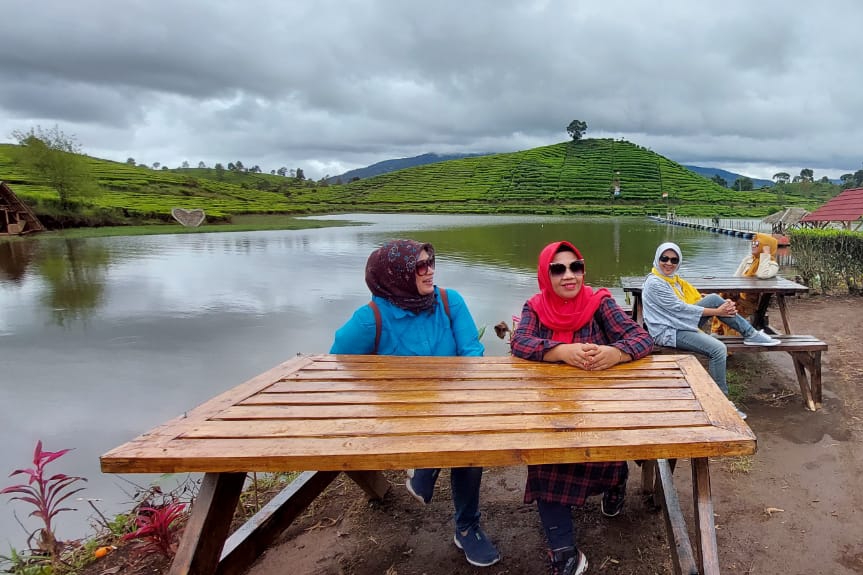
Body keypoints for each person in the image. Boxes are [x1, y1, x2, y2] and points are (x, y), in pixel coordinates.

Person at [330, 239, 500, 568]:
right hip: (399, 415)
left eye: (431, 262)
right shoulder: (372, 318)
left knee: (468, 441)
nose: (430, 271)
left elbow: (471, 353)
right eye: (420, 266)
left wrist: (465, 396)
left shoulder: (450, 302)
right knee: (459, 434)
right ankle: (427, 468)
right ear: (396, 275)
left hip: (451, 408)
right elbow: (336, 366)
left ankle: (466, 527)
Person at [510, 240, 654, 575]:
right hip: (552, 407)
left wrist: (615, 353)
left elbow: (641, 338)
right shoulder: (535, 306)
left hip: (598, 406)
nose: (568, 275)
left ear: (583, 269)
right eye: (557, 269)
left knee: (606, 458)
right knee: (546, 463)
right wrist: (560, 351)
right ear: (546, 275)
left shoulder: (600, 303)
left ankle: (617, 483)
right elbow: (520, 341)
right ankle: (564, 551)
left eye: (575, 266)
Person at [641, 242, 780, 419]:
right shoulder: (655, 283)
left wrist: (716, 303)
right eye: (664, 258)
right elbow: (679, 308)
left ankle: (751, 334)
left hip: (678, 322)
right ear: (657, 258)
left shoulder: (673, 281)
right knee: (718, 349)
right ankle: (721, 401)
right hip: (668, 331)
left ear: (679, 262)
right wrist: (718, 311)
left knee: (714, 298)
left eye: (674, 260)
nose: (669, 263)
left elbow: (684, 303)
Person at [713, 232, 780, 335]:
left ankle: (729, 339)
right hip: (738, 296)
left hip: (750, 302)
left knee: (728, 311)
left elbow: (762, 274)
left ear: (765, 246)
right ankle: (719, 333)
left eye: (757, 244)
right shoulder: (748, 260)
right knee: (721, 303)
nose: (753, 246)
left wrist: (765, 255)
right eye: (752, 243)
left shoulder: (772, 264)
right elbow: (735, 278)